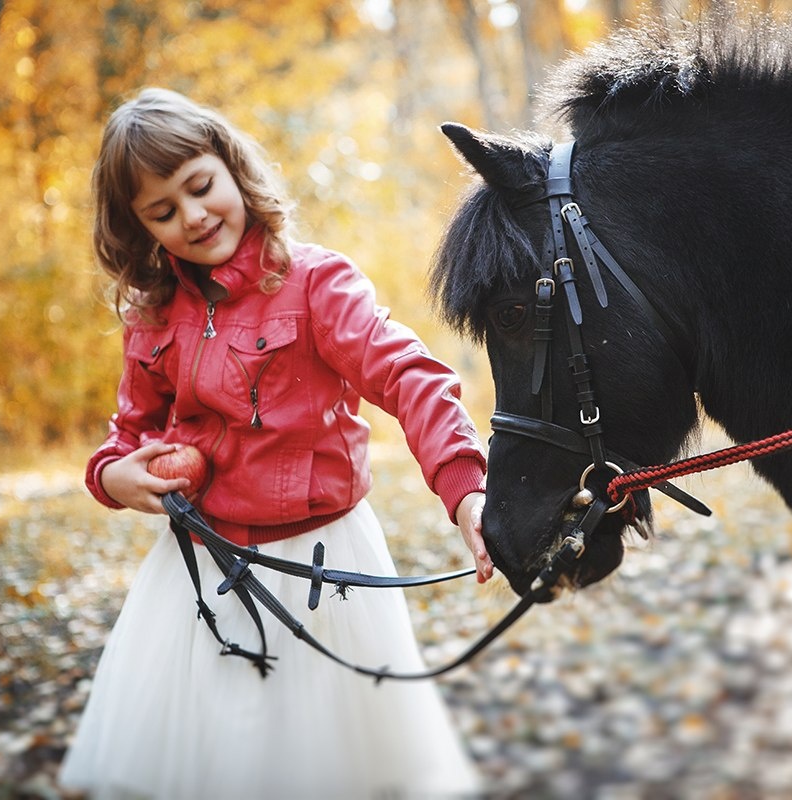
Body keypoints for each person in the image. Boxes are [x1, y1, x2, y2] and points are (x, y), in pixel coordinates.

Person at [58, 87, 494, 800]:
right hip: (200, 565)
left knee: (321, 766)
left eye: (200, 188)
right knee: (219, 761)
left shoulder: (317, 282)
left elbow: (409, 377)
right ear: (138, 228)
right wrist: (113, 478)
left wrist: (465, 489)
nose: (193, 217)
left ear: (232, 168)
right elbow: (126, 434)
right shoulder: (153, 314)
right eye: (162, 212)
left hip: (324, 565)